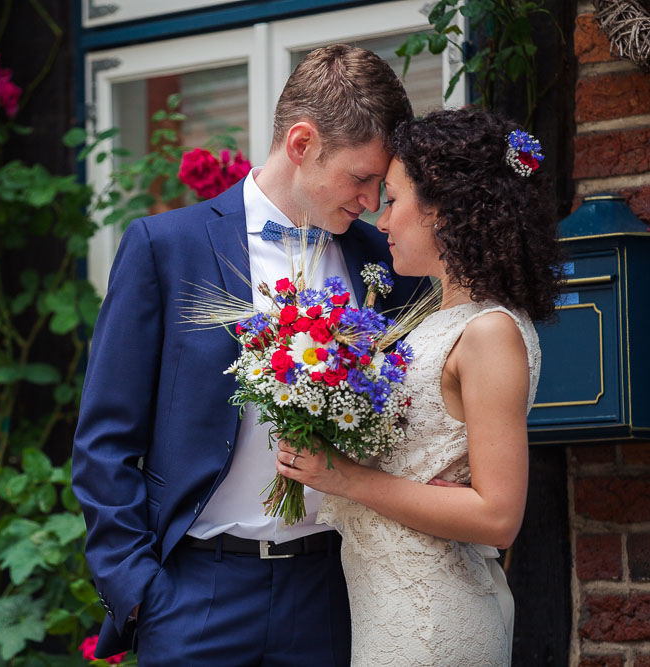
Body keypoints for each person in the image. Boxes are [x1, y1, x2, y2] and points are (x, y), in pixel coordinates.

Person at [72, 45, 426, 665]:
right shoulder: (165, 248)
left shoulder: (385, 260)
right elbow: (105, 438)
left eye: (382, 184)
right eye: (361, 177)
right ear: (300, 143)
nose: (372, 201)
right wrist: (138, 593)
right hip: (195, 596)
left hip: (335, 591)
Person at [275, 108, 563, 666]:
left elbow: (498, 517)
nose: (379, 221)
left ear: (446, 213)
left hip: (431, 619)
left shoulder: (490, 332)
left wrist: (345, 477)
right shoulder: (437, 318)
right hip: (389, 606)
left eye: (394, 199)